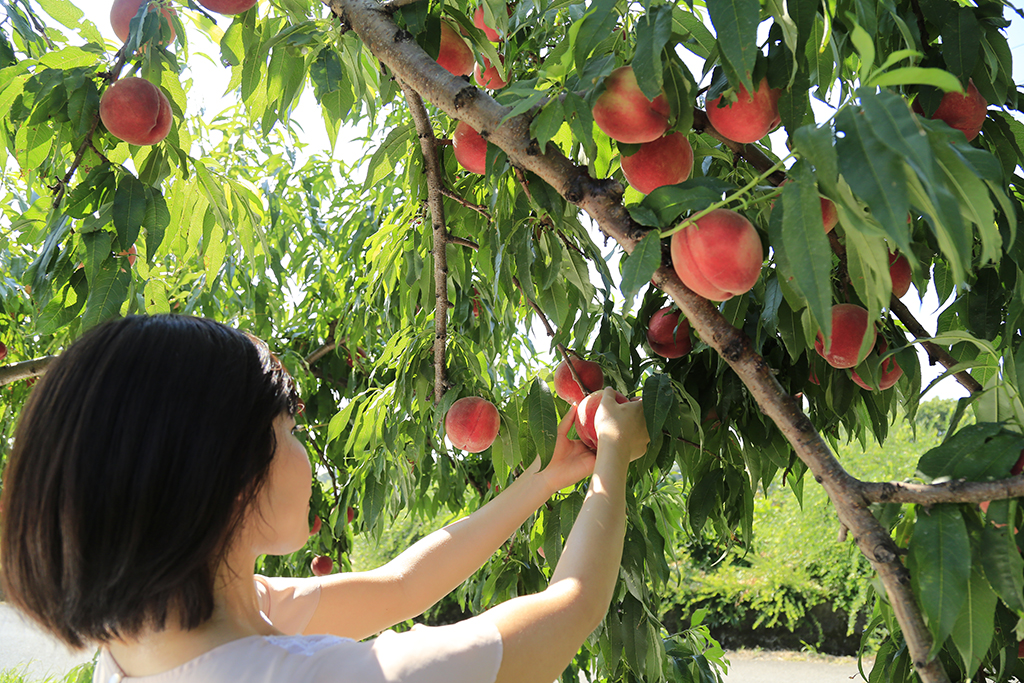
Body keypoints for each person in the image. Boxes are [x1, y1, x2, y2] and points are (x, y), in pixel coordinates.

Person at [0, 315, 650, 683]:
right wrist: (613, 457)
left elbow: (401, 584)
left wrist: (543, 479)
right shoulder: (326, 677)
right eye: (288, 431)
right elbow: (570, 610)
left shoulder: (142, 642)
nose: (304, 453)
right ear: (231, 472)